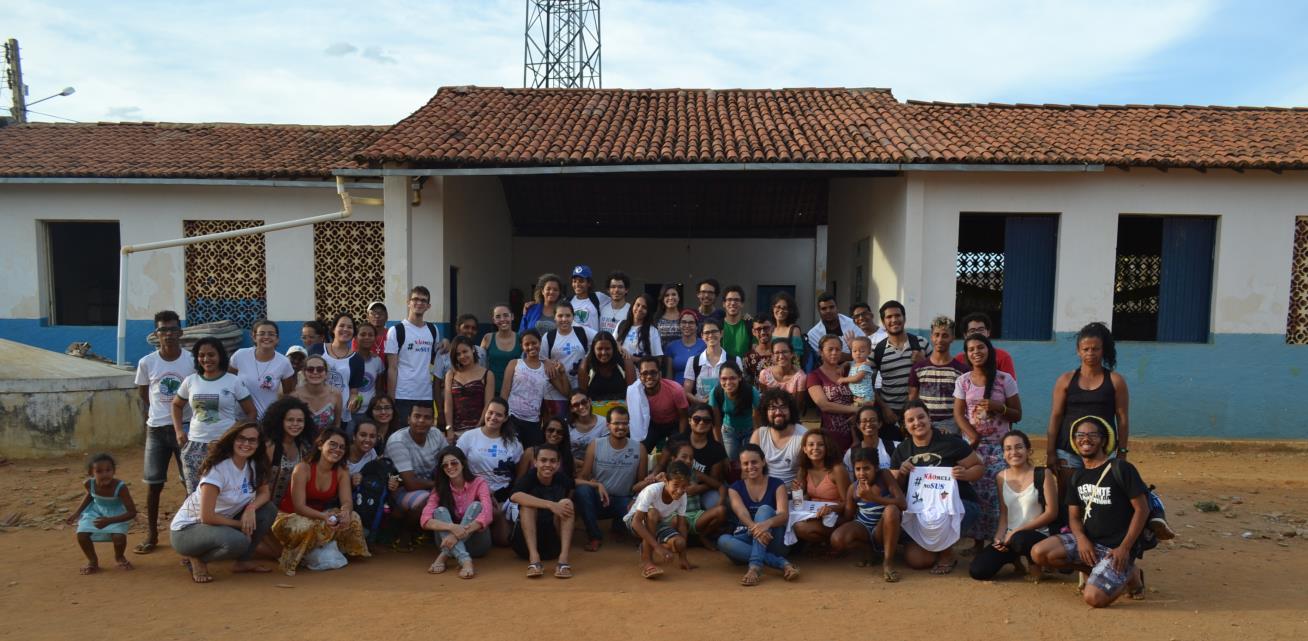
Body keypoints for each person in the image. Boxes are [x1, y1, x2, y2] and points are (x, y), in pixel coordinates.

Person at [1030, 417, 1147, 607]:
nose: (1086, 439)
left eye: (1092, 434)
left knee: (1094, 599)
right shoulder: (1077, 476)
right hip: (1090, 542)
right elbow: (1074, 517)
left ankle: (1130, 573)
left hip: (1116, 548)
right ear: (1075, 440)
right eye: (1080, 435)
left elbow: (1142, 509)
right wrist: (1082, 540)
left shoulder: (1120, 468)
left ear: (1102, 440)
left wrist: (1125, 548)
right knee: (1039, 553)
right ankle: (1096, 568)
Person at [170, 422, 276, 583]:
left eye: (252, 440)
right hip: (188, 530)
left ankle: (243, 561)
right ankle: (198, 558)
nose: (246, 444)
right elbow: (207, 517)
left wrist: (250, 507)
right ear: (232, 440)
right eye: (241, 439)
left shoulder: (254, 465)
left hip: (220, 524)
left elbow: (265, 493)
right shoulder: (218, 470)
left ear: (258, 443)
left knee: (267, 510)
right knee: (239, 541)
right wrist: (240, 525)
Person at [890, 400, 985, 574]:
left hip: (959, 504)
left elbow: (978, 467)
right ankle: (934, 547)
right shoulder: (902, 451)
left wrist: (965, 474)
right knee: (918, 561)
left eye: (921, 417)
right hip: (920, 508)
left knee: (941, 512)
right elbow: (894, 487)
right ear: (904, 425)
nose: (917, 423)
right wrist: (902, 473)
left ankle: (946, 554)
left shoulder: (950, 442)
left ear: (929, 418)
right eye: (911, 420)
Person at [954, 332, 1022, 548]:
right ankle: (976, 545)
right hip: (973, 449)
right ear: (966, 355)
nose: (976, 352)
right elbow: (958, 413)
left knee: (997, 496)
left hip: (1000, 448)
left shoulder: (1004, 379)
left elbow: (1017, 414)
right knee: (975, 493)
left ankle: (998, 542)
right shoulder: (963, 381)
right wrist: (971, 435)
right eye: (971, 349)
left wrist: (998, 408)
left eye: (980, 348)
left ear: (989, 351)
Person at [270, 427, 369, 575]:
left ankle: (325, 551)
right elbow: (299, 507)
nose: (337, 450)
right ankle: (299, 555)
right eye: (333, 444)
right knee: (308, 525)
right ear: (320, 444)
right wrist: (324, 517)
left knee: (353, 517)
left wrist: (345, 512)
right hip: (290, 517)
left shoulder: (342, 471)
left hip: (321, 518)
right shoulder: (303, 468)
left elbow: (347, 500)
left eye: (342, 447)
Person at [134, 310, 193, 554]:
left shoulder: (191, 359)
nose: (167, 334)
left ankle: (191, 531)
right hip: (156, 430)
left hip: (188, 428)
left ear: (180, 332)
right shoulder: (147, 362)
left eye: (172, 329)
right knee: (153, 484)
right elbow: (144, 393)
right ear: (156, 334)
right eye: (162, 330)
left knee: (189, 483)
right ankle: (152, 534)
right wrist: (160, 415)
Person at [1046, 322, 1130, 482]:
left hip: (1104, 451)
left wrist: (1122, 451)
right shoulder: (1065, 380)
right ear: (1078, 351)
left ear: (1103, 350)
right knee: (1067, 498)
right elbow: (1056, 416)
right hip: (1068, 450)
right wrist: (1050, 452)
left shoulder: (1116, 381)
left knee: (1102, 497)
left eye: (1095, 348)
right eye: (1086, 349)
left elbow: (1122, 418)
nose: (1090, 353)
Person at [970, 430, 1058, 581]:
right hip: (1011, 537)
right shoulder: (1000, 477)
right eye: (1008, 449)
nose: (1014, 452)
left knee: (1021, 539)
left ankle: (1036, 568)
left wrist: (1017, 531)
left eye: (1019, 447)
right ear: (1003, 454)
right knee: (978, 571)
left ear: (1028, 450)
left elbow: (1051, 513)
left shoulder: (1043, 474)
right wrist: (999, 536)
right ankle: (1015, 560)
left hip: (1039, 536)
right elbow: (1005, 514)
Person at [172, 337, 256, 493]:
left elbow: (251, 411)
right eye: (201, 355)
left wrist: (241, 434)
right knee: (196, 492)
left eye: (211, 354)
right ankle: (199, 518)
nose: (206, 359)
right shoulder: (190, 381)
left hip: (225, 444)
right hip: (195, 444)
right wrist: (178, 431)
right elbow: (176, 405)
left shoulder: (233, 381)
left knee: (226, 490)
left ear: (220, 356)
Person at [717, 444, 800, 585]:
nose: (750, 466)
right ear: (741, 466)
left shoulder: (777, 484)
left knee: (765, 509)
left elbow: (783, 515)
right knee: (722, 540)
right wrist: (757, 530)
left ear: (763, 461)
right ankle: (781, 564)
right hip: (748, 538)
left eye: (754, 462)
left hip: (774, 541)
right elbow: (741, 513)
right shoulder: (735, 488)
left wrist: (765, 524)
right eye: (745, 463)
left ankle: (755, 567)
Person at [576, 406, 647, 551]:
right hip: (599, 499)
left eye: (625, 423)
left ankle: (619, 527)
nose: (621, 427)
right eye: (616, 423)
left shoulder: (639, 448)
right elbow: (583, 476)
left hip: (624, 500)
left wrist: (636, 499)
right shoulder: (596, 445)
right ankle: (594, 536)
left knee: (636, 517)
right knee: (582, 491)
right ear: (608, 425)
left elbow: (641, 482)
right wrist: (595, 485)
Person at [830, 446, 905, 581]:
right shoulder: (853, 488)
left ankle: (887, 562)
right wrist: (829, 511)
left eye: (866, 468)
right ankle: (868, 549)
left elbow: (902, 503)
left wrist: (874, 498)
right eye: (858, 469)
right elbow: (848, 517)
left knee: (891, 510)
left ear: (876, 468)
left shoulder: (884, 476)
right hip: (864, 527)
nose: (862, 473)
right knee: (837, 539)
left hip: (883, 528)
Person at [456, 398, 524, 545]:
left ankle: (491, 522)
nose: (493, 417)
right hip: (474, 493)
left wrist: (509, 498)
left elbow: (518, 474)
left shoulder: (514, 443)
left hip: (502, 495)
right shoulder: (469, 437)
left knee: (504, 541)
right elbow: (457, 467)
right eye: (490, 412)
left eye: (498, 415)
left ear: (506, 418)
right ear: (485, 413)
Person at [422, 446, 493, 578]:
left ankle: (443, 555)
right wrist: (452, 527)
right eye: (445, 465)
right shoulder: (440, 488)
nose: (449, 467)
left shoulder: (479, 482)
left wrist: (456, 535)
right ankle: (466, 561)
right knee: (440, 511)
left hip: (476, 544)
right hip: (446, 540)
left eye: (454, 462)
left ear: (463, 463)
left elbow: (487, 514)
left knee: (476, 506)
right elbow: (425, 520)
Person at [509, 443, 575, 578]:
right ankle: (534, 562)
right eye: (543, 460)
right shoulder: (529, 477)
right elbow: (515, 496)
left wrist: (596, 484)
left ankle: (563, 561)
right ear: (535, 462)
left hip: (552, 544)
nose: (548, 465)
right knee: (527, 505)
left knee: (566, 503)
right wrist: (550, 505)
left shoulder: (560, 478)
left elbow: (574, 484)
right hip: (526, 545)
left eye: (552, 461)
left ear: (558, 464)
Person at [67, 453, 137, 574]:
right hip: (95, 511)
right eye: (99, 471)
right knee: (82, 535)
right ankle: (92, 561)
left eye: (108, 470)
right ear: (91, 473)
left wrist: (109, 521)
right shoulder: (89, 484)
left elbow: (132, 512)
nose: (105, 474)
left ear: (114, 471)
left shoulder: (120, 487)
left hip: (117, 514)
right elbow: (90, 495)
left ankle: (119, 557)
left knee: (118, 537)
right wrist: (77, 513)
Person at [387, 403, 443, 552]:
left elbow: (448, 460)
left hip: (428, 485)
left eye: (427, 417)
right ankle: (405, 533)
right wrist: (439, 484)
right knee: (428, 500)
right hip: (399, 489)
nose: (421, 421)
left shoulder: (436, 434)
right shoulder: (397, 441)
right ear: (408, 419)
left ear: (433, 421)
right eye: (417, 416)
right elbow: (410, 484)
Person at [626, 461, 694, 579]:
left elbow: (682, 525)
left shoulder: (683, 496)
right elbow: (636, 523)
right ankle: (647, 561)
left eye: (684, 486)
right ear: (666, 481)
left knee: (680, 543)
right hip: (635, 521)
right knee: (653, 513)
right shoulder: (652, 491)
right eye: (676, 485)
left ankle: (653, 545)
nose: (679, 490)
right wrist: (657, 547)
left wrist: (683, 557)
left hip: (657, 524)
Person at [385, 286, 442, 425]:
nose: (419, 303)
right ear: (408, 302)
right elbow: (392, 368)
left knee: (422, 436)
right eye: (415, 299)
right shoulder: (396, 330)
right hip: (402, 395)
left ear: (428, 306)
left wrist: (446, 343)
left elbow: (437, 357)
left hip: (425, 394)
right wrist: (391, 399)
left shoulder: (433, 329)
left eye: (423, 300)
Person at [502, 329, 568, 448]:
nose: (531, 346)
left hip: (533, 422)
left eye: (534, 343)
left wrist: (563, 374)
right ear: (522, 346)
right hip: (512, 418)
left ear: (540, 343)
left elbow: (565, 392)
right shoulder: (514, 364)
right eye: (526, 344)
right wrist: (503, 416)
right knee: (511, 453)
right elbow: (505, 392)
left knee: (531, 455)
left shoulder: (547, 368)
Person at [660, 434, 727, 546]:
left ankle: (703, 536)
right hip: (676, 517)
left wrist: (719, 503)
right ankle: (677, 542)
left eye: (691, 458)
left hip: (696, 516)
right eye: (684, 457)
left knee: (721, 511)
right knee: (678, 521)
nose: (688, 461)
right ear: (673, 459)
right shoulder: (666, 477)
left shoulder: (696, 474)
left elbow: (721, 487)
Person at [870, 300, 927, 429]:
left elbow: (935, 375)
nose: (894, 320)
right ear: (883, 322)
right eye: (889, 317)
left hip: (918, 414)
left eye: (897, 315)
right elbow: (868, 385)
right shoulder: (877, 350)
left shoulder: (921, 343)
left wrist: (923, 363)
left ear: (904, 318)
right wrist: (884, 409)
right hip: (891, 416)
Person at [909, 316, 969, 435]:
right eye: (936, 335)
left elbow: (964, 406)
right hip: (924, 426)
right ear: (931, 336)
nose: (940, 339)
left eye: (945, 335)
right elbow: (912, 400)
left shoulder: (962, 371)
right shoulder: (918, 369)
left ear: (953, 338)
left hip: (951, 429)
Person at [790, 430, 851, 546]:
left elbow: (848, 503)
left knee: (801, 528)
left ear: (827, 448)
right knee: (792, 523)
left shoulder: (837, 470)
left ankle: (831, 543)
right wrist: (796, 491)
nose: (815, 448)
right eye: (811, 444)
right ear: (804, 449)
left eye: (820, 444)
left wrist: (830, 509)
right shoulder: (803, 470)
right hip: (813, 514)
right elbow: (800, 500)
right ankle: (822, 544)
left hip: (834, 517)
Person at [228, 319, 296, 420]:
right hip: (240, 419)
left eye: (271, 334)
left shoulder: (284, 362)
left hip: (268, 420)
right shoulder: (240, 355)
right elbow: (229, 381)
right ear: (254, 337)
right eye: (262, 333)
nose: (266, 337)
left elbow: (288, 394)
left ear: (277, 338)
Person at [261, 396, 317, 508]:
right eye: (290, 420)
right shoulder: (270, 446)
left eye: (300, 420)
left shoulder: (304, 447)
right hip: (265, 509)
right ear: (280, 421)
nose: (295, 424)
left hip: (290, 509)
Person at [806, 335, 858, 453]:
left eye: (838, 349)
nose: (834, 353)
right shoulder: (814, 376)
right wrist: (854, 409)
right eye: (830, 349)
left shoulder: (849, 372)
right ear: (820, 352)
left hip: (856, 436)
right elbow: (824, 405)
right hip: (831, 438)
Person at [627, 356, 689, 452]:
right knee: (639, 450)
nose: (649, 377)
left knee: (676, 449)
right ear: (639, 376)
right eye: (645, 373)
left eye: (653, 372)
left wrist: (681, 439)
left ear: (660, 373)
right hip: (652, 424)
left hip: (674, 424)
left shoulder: (675, 390)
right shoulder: (635, 392)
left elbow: (683, 417)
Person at [318, 313, 366, 436]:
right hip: (316, 411)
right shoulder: (317, 350)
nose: (345, 329)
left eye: (350, 327)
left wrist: (355, 400)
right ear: (333, 329)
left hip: (340, 415)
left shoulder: (357, 360)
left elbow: (354, 391)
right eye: (341, 326)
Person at [540, 301, 590, 419]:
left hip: (578, 390)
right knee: (556, 427)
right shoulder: (548, 337)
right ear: (554, 317)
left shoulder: (582, 332)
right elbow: (541, 359)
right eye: (560, 316)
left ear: (573, 316)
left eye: (568, 315)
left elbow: (602, 338)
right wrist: (546, 361)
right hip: (555, 392)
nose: (564, 319)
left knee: (578, 425)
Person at [750, 389, 808, 485]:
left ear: (791, 410)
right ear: (765, 412)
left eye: (783, 407)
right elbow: (749, 468)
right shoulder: (759, 435)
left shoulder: (803, 435)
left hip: (793, 492)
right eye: (772, 408)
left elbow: (808, 470)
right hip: (764, 490)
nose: (778, 412)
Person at [443, 335, 494, 444]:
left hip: (479, 432)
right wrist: (449, 430)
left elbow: (488, 405)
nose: (462, 356)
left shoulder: (487, 374)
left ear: (473, 349)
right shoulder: (451, 374)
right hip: (456, 433)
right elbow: (448, 405)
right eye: (458, 354)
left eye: (465, 351)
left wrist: (478, 428)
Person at [709, 361, 760, 459]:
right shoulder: (715, 393)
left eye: (732, 378)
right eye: (724, 379)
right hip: (729, 432)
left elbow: (757, 420)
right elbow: (716, 424)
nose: (728, 382)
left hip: (750, 430)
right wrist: (721, 451)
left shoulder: (751, 392)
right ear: (719, 379)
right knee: (730, 462)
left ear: (740, 378)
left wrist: (757, 441)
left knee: (750, 460)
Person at [683, 318, 740, 404]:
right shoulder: (693, 361)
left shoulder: (735, 360)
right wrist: (701, 402)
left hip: (727, 409)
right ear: (702, 336)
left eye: (714, 331)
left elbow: (740, 387)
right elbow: (687, 392)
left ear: (721, 333)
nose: (710, 335)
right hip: (702, 411)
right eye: (707, 332)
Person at [577, 331, 633, 417]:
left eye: (607, 349)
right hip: (596, 417)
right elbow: (582, 396)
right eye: (599, 349)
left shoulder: (625, 362)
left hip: (621, 416)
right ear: (593, 349)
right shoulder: (585, 365)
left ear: (614, 349)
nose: (603, 353)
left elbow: (632, 393)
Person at [954, 312, 1017, 379]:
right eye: (972, 331)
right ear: (965, 335)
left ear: (988, 332)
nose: (977, 333)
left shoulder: (1003, 357)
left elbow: (1010, 385)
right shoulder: (958, 360)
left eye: (981, 330)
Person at [291, 355, 343, 432]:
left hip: (325, 441)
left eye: (320, 369)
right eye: (310, 369)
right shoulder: (295, 396)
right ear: (304, 373)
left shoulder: (336, 394)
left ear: (326, 373)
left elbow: (337, 424)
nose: (315, 372)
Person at [806, 292, 864, 361]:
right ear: (819, 311)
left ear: (837, 308)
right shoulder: (813, 334)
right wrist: (848, 354)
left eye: (831, 307)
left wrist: (852, 348)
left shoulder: (852, 324)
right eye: (824, 308)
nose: (828, 311)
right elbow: (819, 359)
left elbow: (864, 351)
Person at [517, 416, 576, 480]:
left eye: (559, 432)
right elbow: (519, 479)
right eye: (551, 430)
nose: (554, 434)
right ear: (544, 431)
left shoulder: (567, 455)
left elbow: (570, 482)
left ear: (564, 435)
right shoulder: (530, 452)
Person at [843, 405, 894, 478]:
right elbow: (850, 482)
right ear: (858, 425)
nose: (868, 424)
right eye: (864, 421)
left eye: (872, 420)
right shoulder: (851, 454)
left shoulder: (894, 447)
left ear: (880, 423)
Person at [481, 304, 522, 392]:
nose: (502, 319)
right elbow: (479, 363)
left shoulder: (521, 338)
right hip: (491, 391)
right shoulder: (488, 338)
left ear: (512, 317)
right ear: (494, 320)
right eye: (498, 317)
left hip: (516, 391)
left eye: (506, 315)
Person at [758, 337, 808, 406]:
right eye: (777, 353)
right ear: (772, 356)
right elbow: (765, 401)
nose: (781, 356)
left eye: (785, 352)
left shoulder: (800, 377)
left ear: (792, 354)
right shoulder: (764, 374)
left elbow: (797, 406)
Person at [353, 322, 387, 420]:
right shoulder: (349, 359)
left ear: (375, 338)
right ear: (355, 337)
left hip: (370, 413)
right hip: (350, 413)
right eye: (363, 334)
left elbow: (379, 388)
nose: (367, 337)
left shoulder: (377, 361)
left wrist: (377, 407)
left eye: (370, 335)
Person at [616, 293, 664, 360]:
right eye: (637, 305)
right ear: (633, 306)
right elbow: (611, 344)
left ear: (648, 311)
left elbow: (658, 359)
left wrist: (631, 358)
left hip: (640, 370)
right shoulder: (621, 324)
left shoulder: (652, 331)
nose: (639, 309)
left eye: (644, 307)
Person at [664, 309, 705, 383]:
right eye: (684, 322)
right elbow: (669, 376)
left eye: (691, 322)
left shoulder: (704, 345)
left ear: (696, 326)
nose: (687, 325)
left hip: (699, 390)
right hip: (677, 390)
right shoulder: (671, 346)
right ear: (679, 325)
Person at [568, 392, 609, 466]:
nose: (581, 407)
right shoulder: (567, 425)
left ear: (590, 401)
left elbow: (606, 450)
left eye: (584, 402)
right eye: (576, 405)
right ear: (571, 409)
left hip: (598, 465)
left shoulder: (604, 423)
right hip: (572, 465)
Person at [569, 264, 611, 333]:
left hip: (593, 343)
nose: (577, 284)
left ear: (589, 283)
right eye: (574, 281)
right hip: (574, 342)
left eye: (581, 281)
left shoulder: (598, 297)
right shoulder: (568, 301)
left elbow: (615, 303)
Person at [837, 336, 876, 406]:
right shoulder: (853, 363)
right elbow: (848, 362)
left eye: (862, 351)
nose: (858, 353)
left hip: (865, 397)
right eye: (854, 351)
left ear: (869, 352)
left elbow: (857, 378)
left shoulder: (865, 365)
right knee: (856, 412)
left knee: (857, 412)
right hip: (857, 397)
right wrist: (843, 364)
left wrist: (843, 379)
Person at [768, 291, 806, 362]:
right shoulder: (771, 329)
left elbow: (797, 358)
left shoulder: (793, 330)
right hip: (772, 370)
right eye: (778, 307)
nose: (781, 311)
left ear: (790, 311)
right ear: (773, 308)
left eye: (784, 308)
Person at [719, 285, 750, 359]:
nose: (733, 303)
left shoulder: (749, 325)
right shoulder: (717, 326)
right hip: (721, 369)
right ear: (724, 303)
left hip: (743, 370)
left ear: (742, 304)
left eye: (736, 300)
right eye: (729, 300)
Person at [347, 419, 380, 485]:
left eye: (372, 436)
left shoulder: (372, 452)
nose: (367, 440)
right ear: (354, 436)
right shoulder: (341, 453)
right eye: (363, 435)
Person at [742, 317, 774, 384]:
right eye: (758, 329)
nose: (762, 332)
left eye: (766, 328)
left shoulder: (783, 352)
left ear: (773, 328)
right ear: (753, 332)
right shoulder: (748, 357)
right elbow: (746, 383)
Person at [654, 284, 684, 348]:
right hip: (662, 356)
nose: (670, 298)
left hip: (682, 356)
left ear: (678, 298)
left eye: (674, 294)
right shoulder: (656, 319)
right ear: (662, 299)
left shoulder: (685, 317)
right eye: (666, 295)